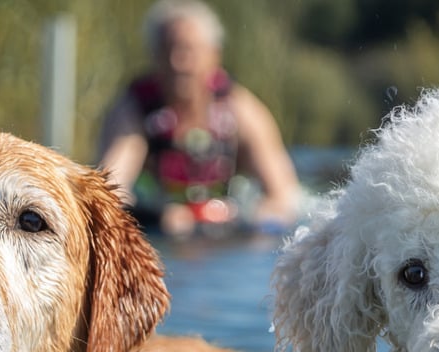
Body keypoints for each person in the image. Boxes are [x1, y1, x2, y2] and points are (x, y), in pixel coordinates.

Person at [97, 0, 301, 237]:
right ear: (154, 57)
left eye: (188, 50)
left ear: (214, 55)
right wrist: (159, 216)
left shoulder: (241, 110)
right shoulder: (134, 112)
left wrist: (255, 222)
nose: (178, 62)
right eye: (167, 50)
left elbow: (283, 195)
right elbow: (108, 195)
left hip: (224, 239)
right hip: (162, 230)